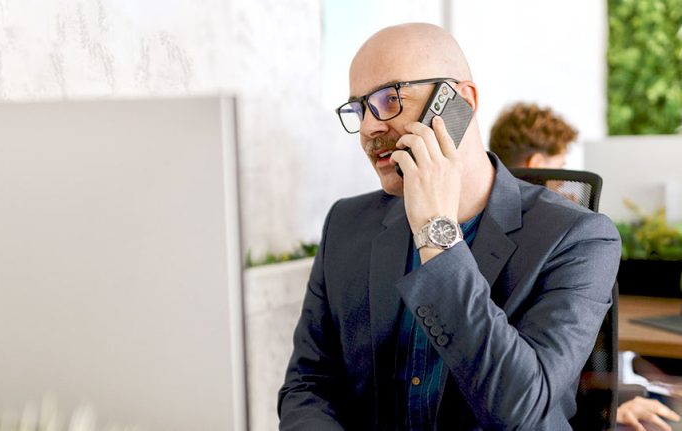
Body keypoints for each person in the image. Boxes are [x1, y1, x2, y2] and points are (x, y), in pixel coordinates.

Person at [278, 22, 622, 430]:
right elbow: (308, 384)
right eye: (358, 109)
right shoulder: (347, 225)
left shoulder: (579, 239)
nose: (370, 127)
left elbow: (519, 411)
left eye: (390, 99)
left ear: (460, 101)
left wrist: (435, 232)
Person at [490, 102, 682, 431]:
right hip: (571, 408)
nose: (567, 184)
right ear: (538, 167)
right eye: (561, 167)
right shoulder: (563, 244)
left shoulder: (478, 235)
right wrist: (612, 404)